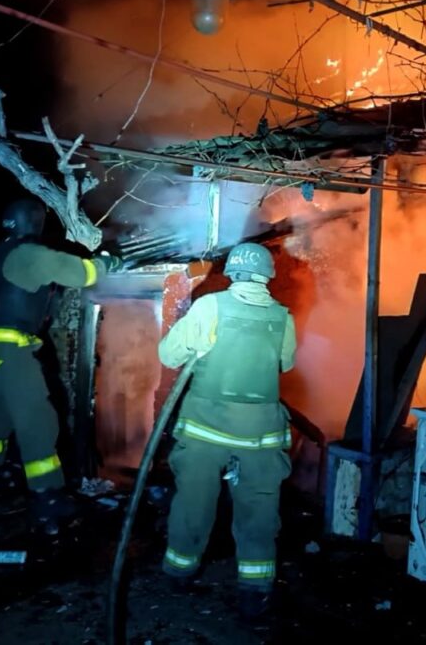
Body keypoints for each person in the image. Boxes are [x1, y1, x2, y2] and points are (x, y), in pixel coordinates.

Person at [157, 241, 297, 619]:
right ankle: (255, 589)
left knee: (194, 503)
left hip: (207, 429)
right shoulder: (283, 317)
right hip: (260, 436)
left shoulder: (209, 306)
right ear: (267, 275)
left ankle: (179, 572)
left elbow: (169, 355)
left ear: (232, 271)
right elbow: (284, 363)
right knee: (259, 508)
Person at [0, 198, 118, 532]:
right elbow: (80, 273)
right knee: (37, 421)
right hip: (11, 352)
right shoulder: (27, 255)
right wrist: (108, 262)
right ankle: (47, 496)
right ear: (35, 223)